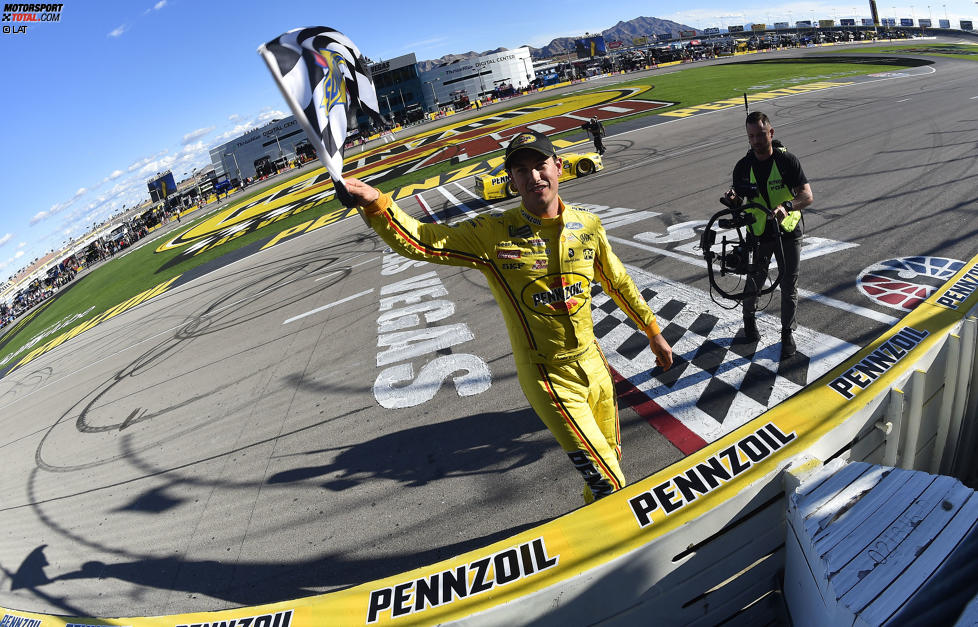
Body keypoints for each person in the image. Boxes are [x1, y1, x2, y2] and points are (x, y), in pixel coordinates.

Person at [344, 130, 673, 504]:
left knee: (611, 461)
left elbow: (618, 281)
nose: (534, 176)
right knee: (609, 480)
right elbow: (421, 240)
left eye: (540, 165)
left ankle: (598, 520)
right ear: (512, 180)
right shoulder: (492, 234)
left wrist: (651, 330)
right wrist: (376, 204)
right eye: (521, 170)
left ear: (559, 167)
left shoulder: (589, 225)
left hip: (596, 366)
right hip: (549, 377)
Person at [721, 111, 813, 357]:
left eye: (761, 135)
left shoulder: (787, 161)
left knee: (788, 283)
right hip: (759, 233)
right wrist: (733, 200)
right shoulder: (743, 167)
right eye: (751, 136)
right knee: (754, 281)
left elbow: (807, 196)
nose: (756, 141)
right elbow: (739, 198)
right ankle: (749, 321)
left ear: (770, 133)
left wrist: (788, 206)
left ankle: (786, 333)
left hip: (788, 231)